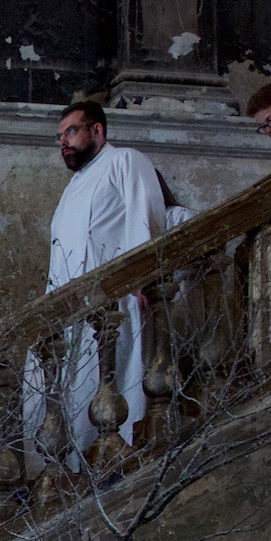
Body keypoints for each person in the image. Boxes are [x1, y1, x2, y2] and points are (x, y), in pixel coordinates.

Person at [37, 100, 168, 455]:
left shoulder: (125, 161)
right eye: (59, 136)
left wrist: (144, 280)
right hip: (73, 311)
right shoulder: (72, 189)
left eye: (70, 132)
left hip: (117, 303)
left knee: (119, 386)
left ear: (97, 130)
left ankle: (121, 457)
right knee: (77, 395)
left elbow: (147, 219)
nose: (63, 142)